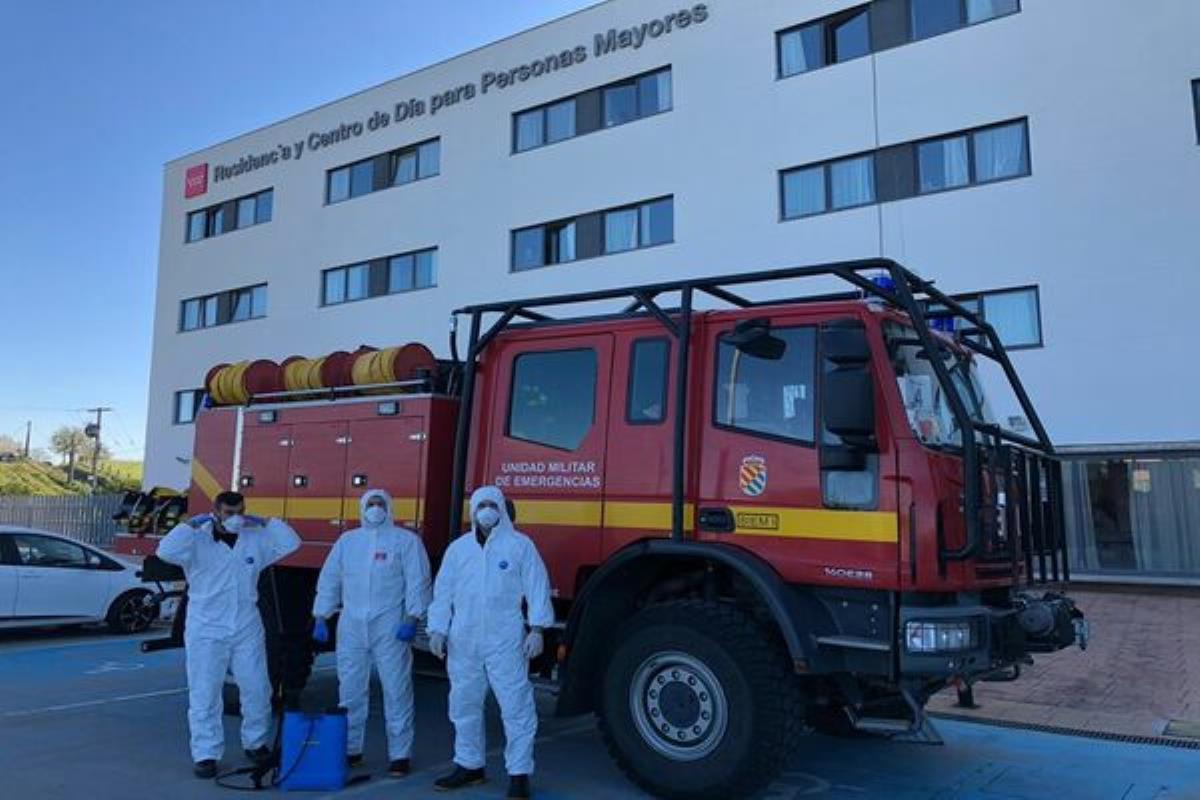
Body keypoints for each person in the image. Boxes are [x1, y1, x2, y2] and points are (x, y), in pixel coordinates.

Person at [156, 490, 300, 779]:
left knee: (258, 687)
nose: (236, 518)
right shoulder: (195, 541)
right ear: (215, 511)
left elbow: (291, 543)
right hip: (206, 627)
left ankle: (256, 741)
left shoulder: (256, 538)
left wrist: (269, 521)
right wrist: (189, 525)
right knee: (205, 691)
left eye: (240, 511)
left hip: (246, 624)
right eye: (229, 512)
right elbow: (164, 551)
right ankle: (206, 753)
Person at [427, 485, 554, 800]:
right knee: (464, 704)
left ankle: (519, 773)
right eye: (481, 504)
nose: (487, 510)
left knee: (516, 706)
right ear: (473, 511)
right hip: (463, 639)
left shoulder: (520, 546)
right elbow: (443, 593)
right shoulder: (458, 550)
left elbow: (537, 586)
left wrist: (537, 629)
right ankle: (469, 764)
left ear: (502, 508)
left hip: (505, 638)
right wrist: (437, 629)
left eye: (492, 504)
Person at [312, 489, 431, 776]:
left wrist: (413, 617)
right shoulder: (347, 542)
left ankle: (399, 755)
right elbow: (330, 579)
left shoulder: (406, 541)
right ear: (362, 508)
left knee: (396, 689)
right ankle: (351, 749)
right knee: (350, 689)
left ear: (389, 508)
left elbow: (419, 580)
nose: (375, 509)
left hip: (390, 626)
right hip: (351, 624)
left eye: (380, 504)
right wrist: (320, 615)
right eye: (371, 504)